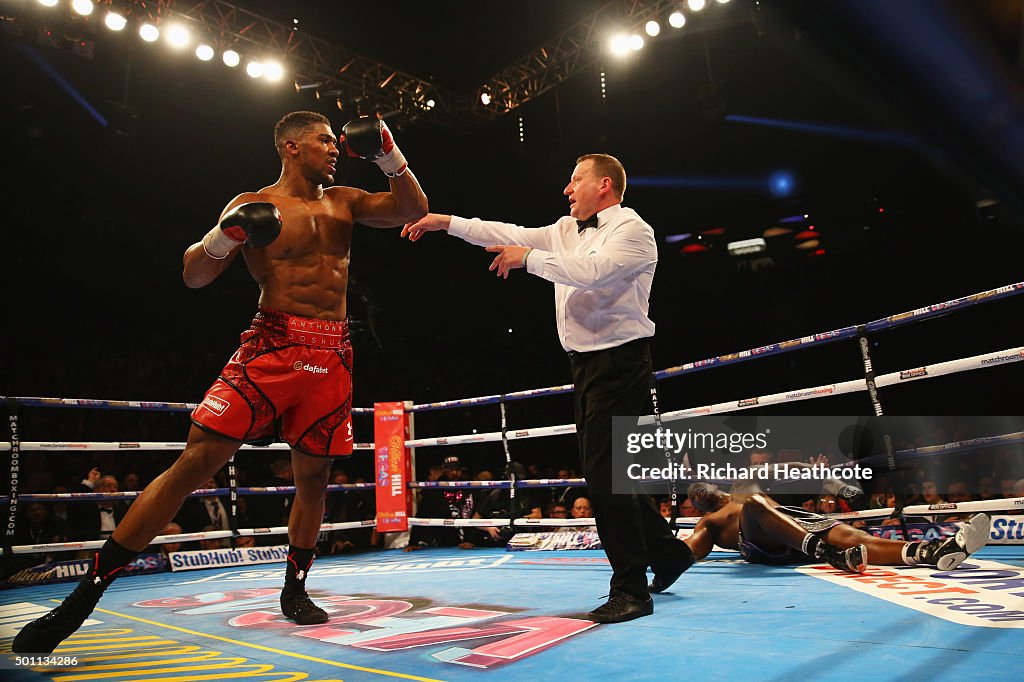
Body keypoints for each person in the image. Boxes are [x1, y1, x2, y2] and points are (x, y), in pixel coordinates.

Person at [14, 110, 428, 654]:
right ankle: (84, 595)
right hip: (272, 346)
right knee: (194, 462)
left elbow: (411, 209)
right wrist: (225, 235)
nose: (335, 148)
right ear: (291, 147)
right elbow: (194, 275)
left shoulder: (345, 200)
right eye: (324, 141)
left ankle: (295, 588)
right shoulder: (254, 204)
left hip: (331, 352)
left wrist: (387, 154)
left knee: (314, 479)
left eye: (336, 141)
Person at [401, 153, 694, 623]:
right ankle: (669, 554)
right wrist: (446, 222)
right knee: (610, 473)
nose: (566, 189)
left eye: (575, 180)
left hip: (620, 363)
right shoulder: (564, 229)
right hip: (586, 364)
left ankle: (632, 591)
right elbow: (504, 232)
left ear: (604, 185)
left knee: (603, 477)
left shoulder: (633, 230)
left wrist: (529, 259)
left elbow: (591, 272)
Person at [681, 482, 991, 574]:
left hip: (794, 522)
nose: (695, 492)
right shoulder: (708, 522)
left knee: (855, 538)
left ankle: (933, 552)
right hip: (762, 543)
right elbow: (688, 551)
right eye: (692, 495)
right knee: (755, 505)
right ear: (697, 507)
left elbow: (792, 473)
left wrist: (832, 483)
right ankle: (829, 553)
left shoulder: (743, 486)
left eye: (699, 486)